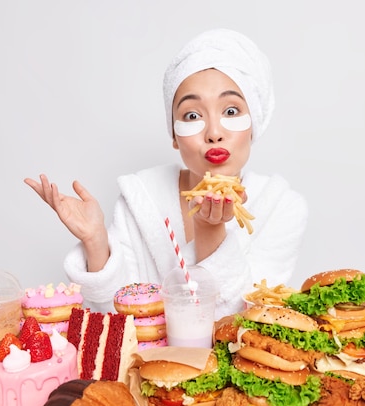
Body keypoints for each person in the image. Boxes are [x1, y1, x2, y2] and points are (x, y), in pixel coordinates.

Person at [24, 28, 308, 318]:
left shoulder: (281, 208)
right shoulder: (141, 198)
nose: (213, 133)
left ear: (254, 123)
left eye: (231, 111)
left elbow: (243, 320)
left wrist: (209, 229)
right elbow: (117, 314)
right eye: (192, 115)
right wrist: (96, 241)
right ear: (174, 135)